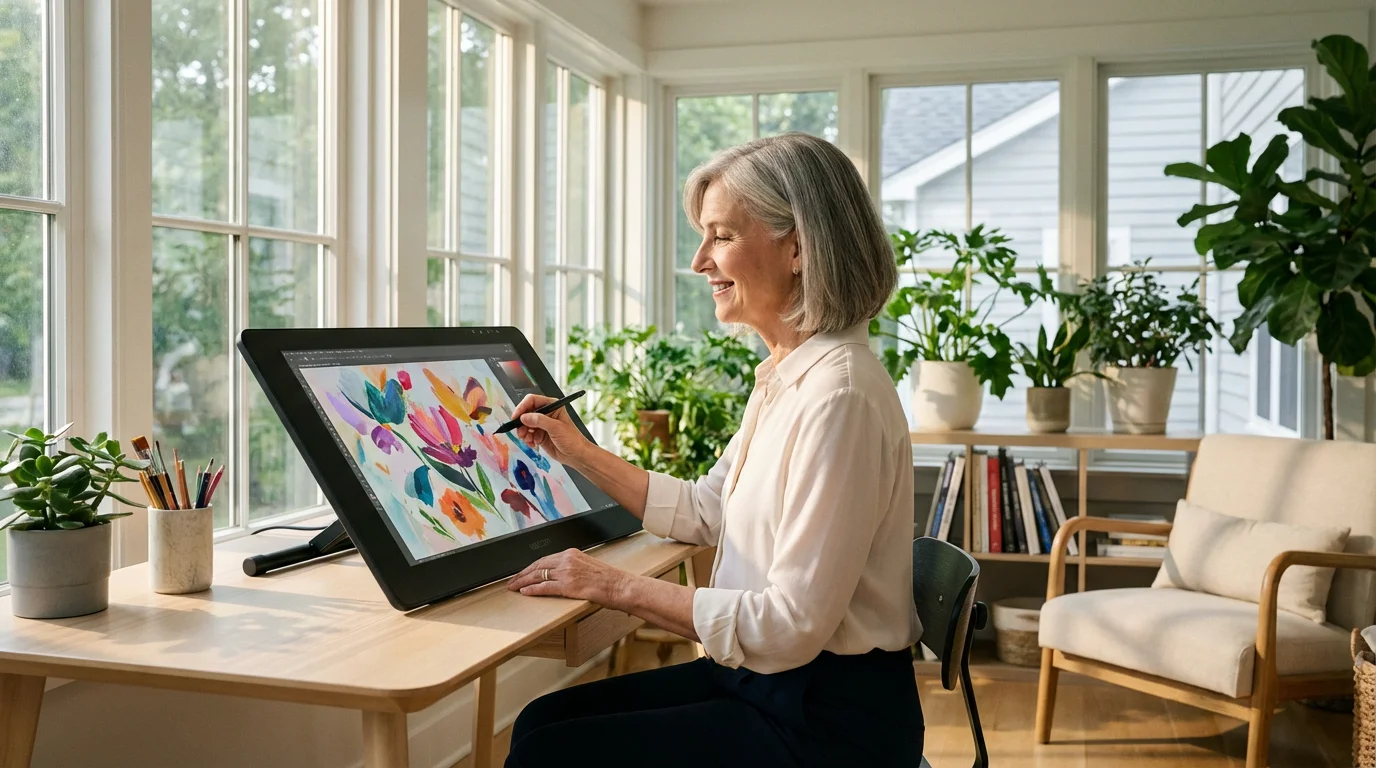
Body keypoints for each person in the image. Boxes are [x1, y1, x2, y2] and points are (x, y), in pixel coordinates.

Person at [503, 132, 922, 767]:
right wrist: (575, 451)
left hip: (827, 724)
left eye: (721, 236)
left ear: (799, 247)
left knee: (552, 753)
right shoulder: (788, 375)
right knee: (541, 721)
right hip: (770, 683)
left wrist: (612, 586)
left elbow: (788, 627)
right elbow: (709, 508)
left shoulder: (839, 397)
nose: (700, 260)